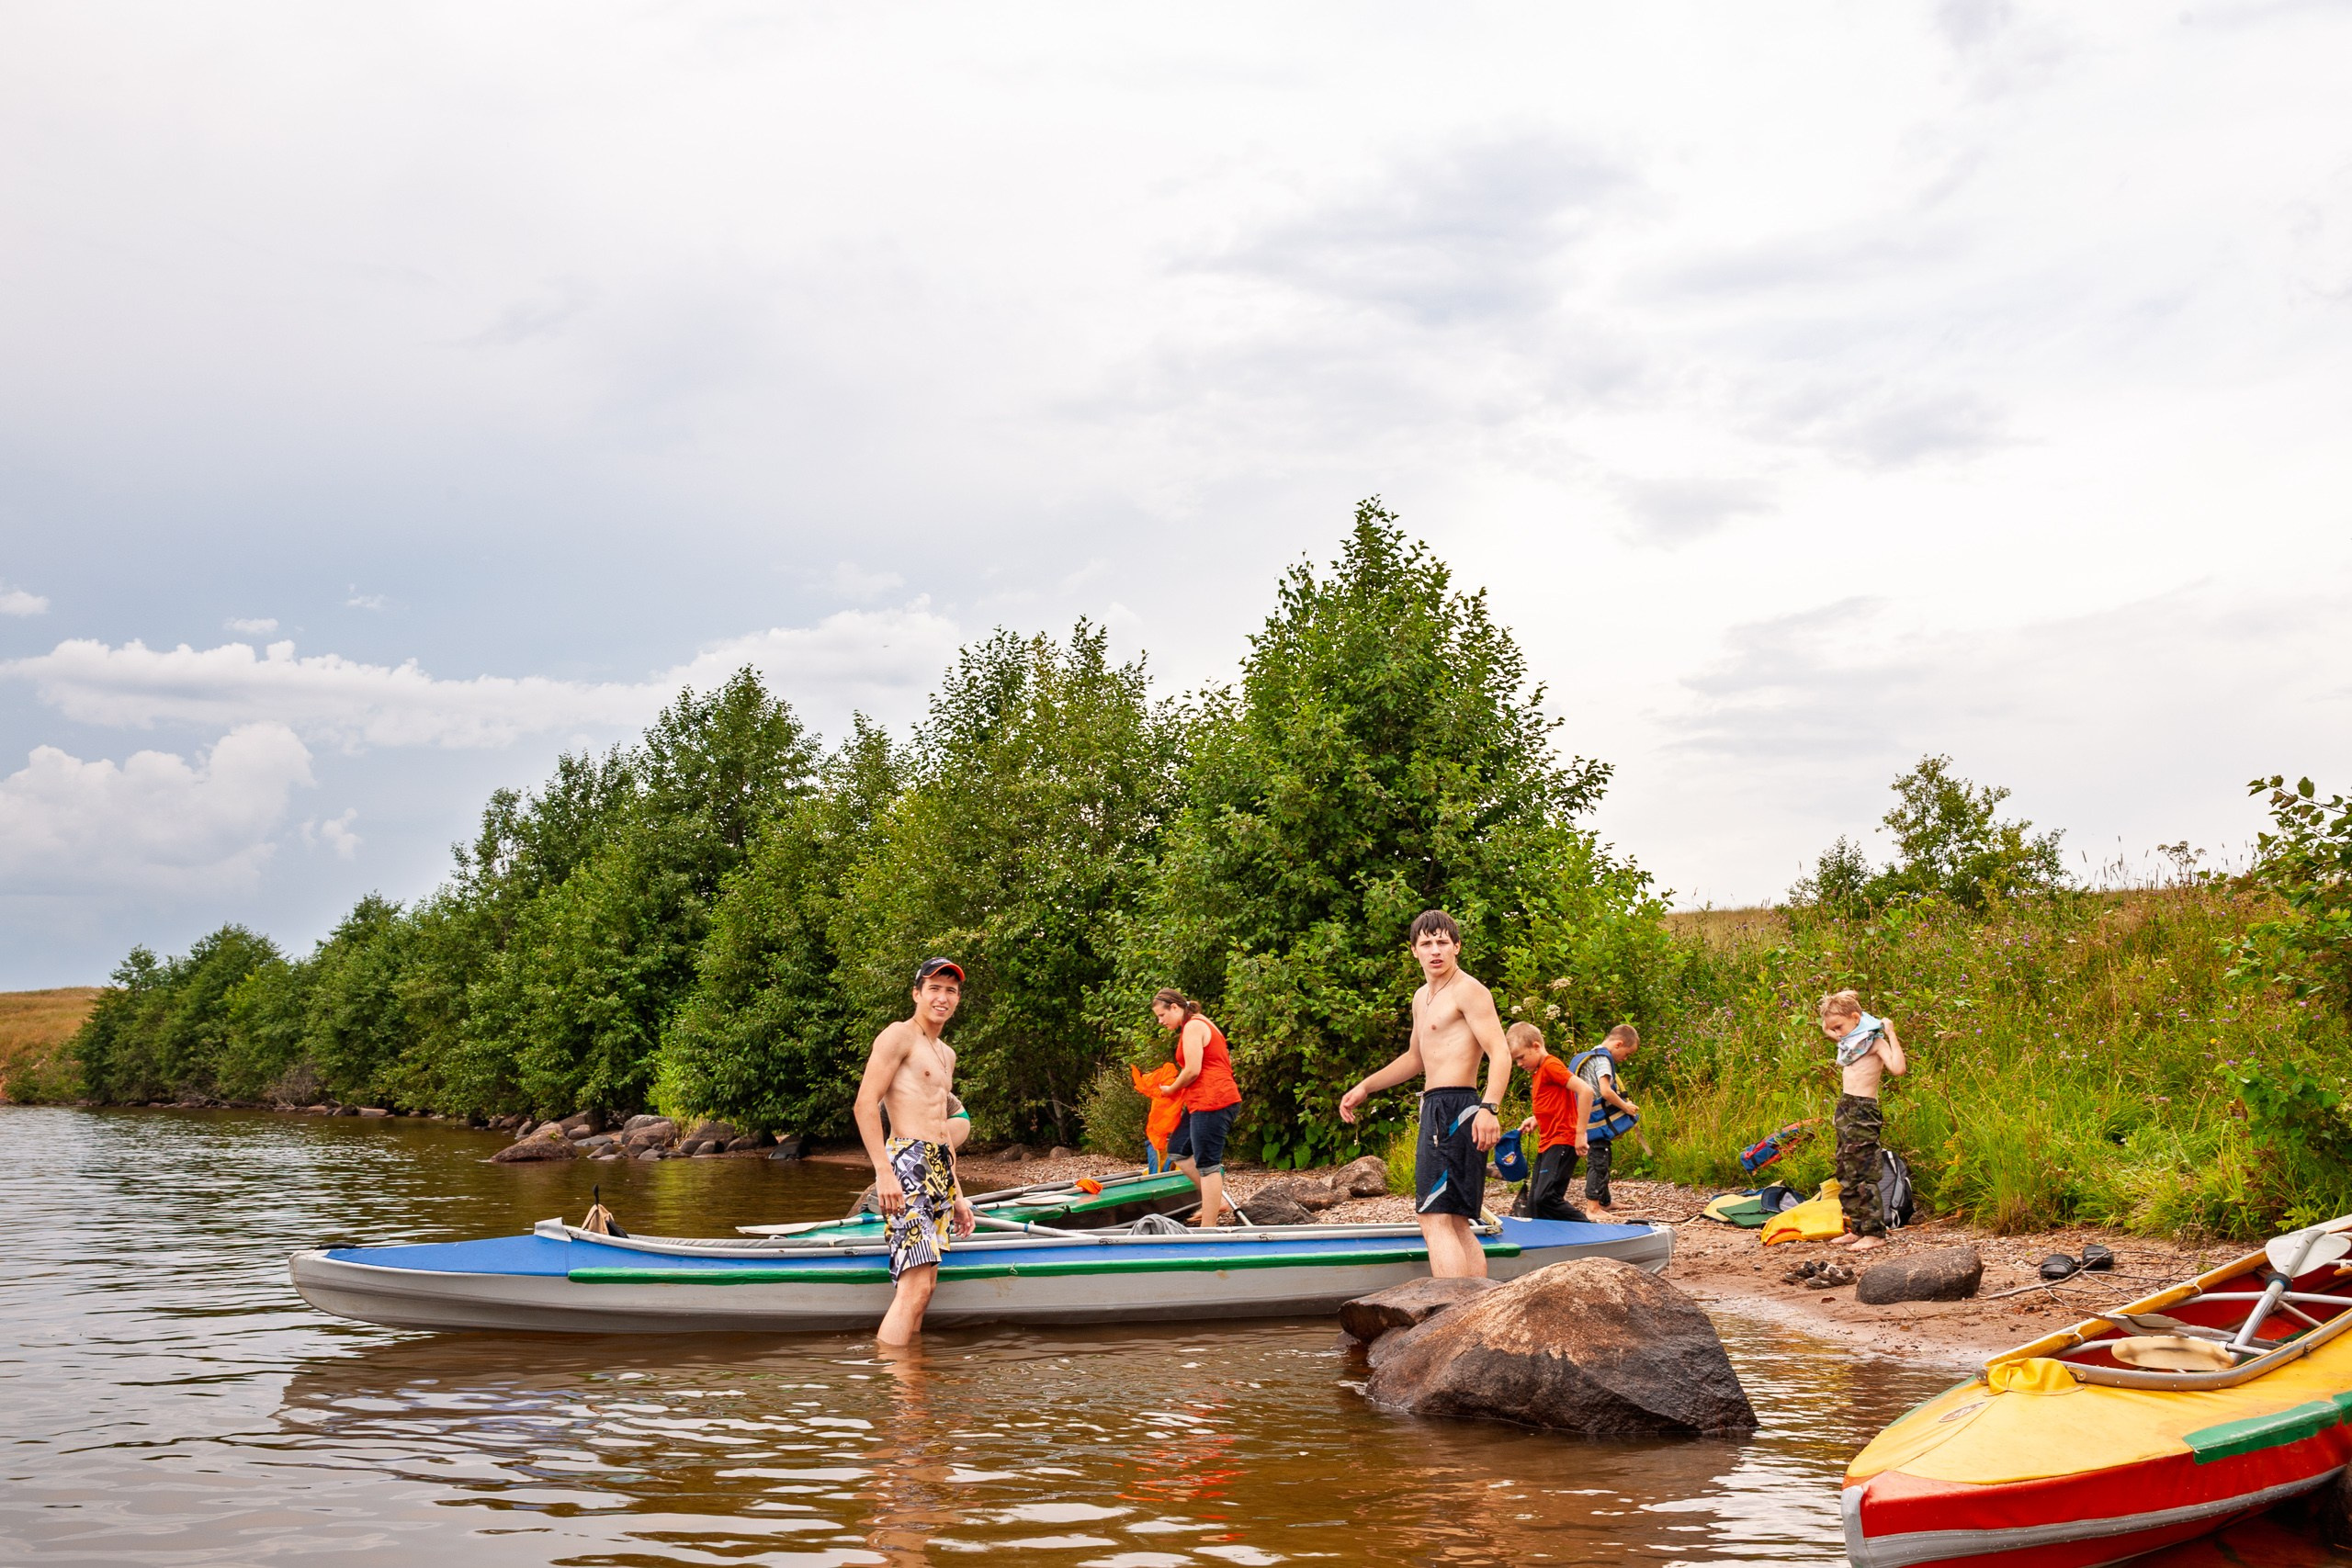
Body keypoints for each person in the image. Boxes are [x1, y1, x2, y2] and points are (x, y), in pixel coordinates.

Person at [1338, 910, 1512, 1279]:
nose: (1435, 950)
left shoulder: (1469, 990)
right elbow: (1414, 1059)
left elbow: (1500, 1052)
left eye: (1443, 942)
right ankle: (1474, 1302)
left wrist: (1489, 1108)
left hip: (1457, 1107)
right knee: (1455, 1219)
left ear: (1457, 947)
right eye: (1427, 943)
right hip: (1436, 1106)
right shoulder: (1422, 997)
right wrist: (1366, 1086)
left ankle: (1450, 1305)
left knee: (1433, 1217)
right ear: (1414, 950)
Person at [853, 957, 978, 1344]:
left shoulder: (946, 1054)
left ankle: (912, 1377)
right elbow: (864, 1103)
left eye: (950, 991)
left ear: (957, 999)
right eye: (934, 989)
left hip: (938, 1168)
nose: (943, 997)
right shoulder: (899, 1035)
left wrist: (958, 1195)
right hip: (907, 1165)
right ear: (917, 994)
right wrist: (883, 1172)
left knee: (927, 1289)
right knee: (914, 1288)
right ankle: (894, 1377)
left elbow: (942, 1131)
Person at [1819, 989, 1906, 1254]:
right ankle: (1857, 1227)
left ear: (1856, 1018)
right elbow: (1826, 1027)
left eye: (1839, 1027)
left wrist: (1891, 1033)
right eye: (1834, 1028)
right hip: (1845, 1107)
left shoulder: (1874, 1042)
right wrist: (1836, 998)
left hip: (1863, 1110)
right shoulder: (1851, 1041)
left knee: (1863, 1172)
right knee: (1845, 1170)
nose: (1836, 1033)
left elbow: (1898, 1069)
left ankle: (1874, 1233)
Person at [1149, 988, 1242, 1227]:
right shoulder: (1193, 1024)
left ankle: (1207, 1228)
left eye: (1162, 1015)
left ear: (1175, 1007)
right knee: (1178, 1150)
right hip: (1199, 1102)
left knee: (1207, 1164)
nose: (1160, 1022)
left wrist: (1171, 1090)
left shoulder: (1193, 1026)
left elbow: (1192, 1070)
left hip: (1214, 1100)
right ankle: (1217, 1201)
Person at [1508, 1022, 1591, 1223]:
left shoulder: (1550, 1066)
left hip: (1562, 1140)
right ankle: (1545, 1237)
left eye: (1521, 1057)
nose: (1519, 1064)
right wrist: (1536, 1118)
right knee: (1534, 1204)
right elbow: (1554, 1102)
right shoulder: (1539, 1071)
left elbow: (1586, 1091)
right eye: (1516, 1060)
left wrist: (1580, 1133)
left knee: (1546, 1197)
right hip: (1547, 1143)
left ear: (1536, 1046)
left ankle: (1588, 1228)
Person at [1573, 1024, 1640, 1213]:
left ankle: (1604, 1201)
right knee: (1598, 1161)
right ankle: (1593, 1206)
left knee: (1604, 1156)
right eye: (1627, 1054)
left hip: (1586, 1120)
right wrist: (1625, 1107)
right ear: (1618, 1044)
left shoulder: (1591, 1055)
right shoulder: (1603, 1060)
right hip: (1594, 1122)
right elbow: (1605, 1091)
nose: (1625, 1059)